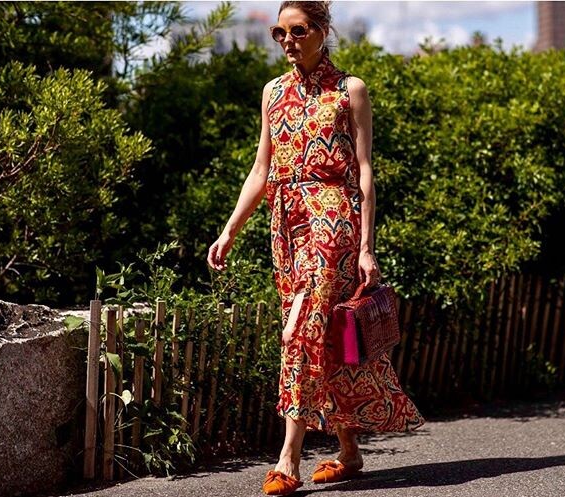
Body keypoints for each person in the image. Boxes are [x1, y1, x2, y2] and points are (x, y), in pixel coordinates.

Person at [207, 1, 424, 495]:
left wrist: (366, 247)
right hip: (287, 228)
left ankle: (288, 458)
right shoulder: (273, 92)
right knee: (327, 338)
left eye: (299, 31)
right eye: (278, 33)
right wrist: (229, 230)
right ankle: (349, 451)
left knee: (299, 332)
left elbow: (365, 172)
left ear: (323, 31)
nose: (288, 41)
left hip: (334, 224)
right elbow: (261, 171)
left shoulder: (350, 90)